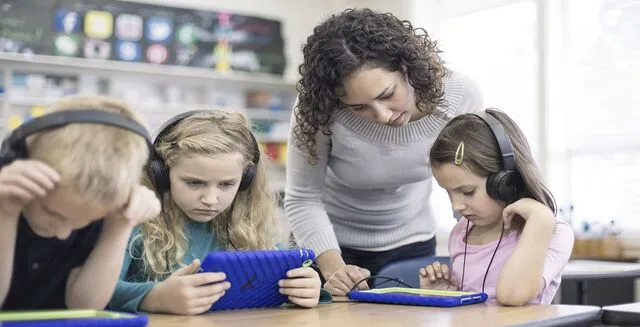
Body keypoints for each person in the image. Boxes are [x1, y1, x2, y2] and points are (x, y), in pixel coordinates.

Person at [284, 8, 484, 295]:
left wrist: (477, 248)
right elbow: (303, 198)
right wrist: (335, 270)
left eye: (387, 95)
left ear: (409, 68)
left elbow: (469, 181)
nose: (382, 115)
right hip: (331, 245)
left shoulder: (459, 94)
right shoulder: (317, 112)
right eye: (359, 107)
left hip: (413, 242)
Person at [108, 110, 323, 315]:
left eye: (226, 184)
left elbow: (283, 278)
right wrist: (154, 298)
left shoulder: (250, 223)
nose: (210, 200)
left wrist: (305, 287)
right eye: (194, 183)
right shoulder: (133, 218)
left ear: (245, 180)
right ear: (161, 174)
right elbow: (87, 294)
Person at [0, 95, 161, 309]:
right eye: (53, 213)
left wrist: (120, 224)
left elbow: (84, 307)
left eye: (84, 222)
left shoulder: (99, 207)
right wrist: (5, 213)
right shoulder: (6, 191)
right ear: (18, 158)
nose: (63, 233)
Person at [420, 108, 574, 306]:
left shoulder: (552, 231)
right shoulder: (461, 232)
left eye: (467, 192)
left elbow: (512, 295)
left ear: (506, 181)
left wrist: (540, 218)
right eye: (448, 192)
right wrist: (446, 298)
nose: (456, 206)